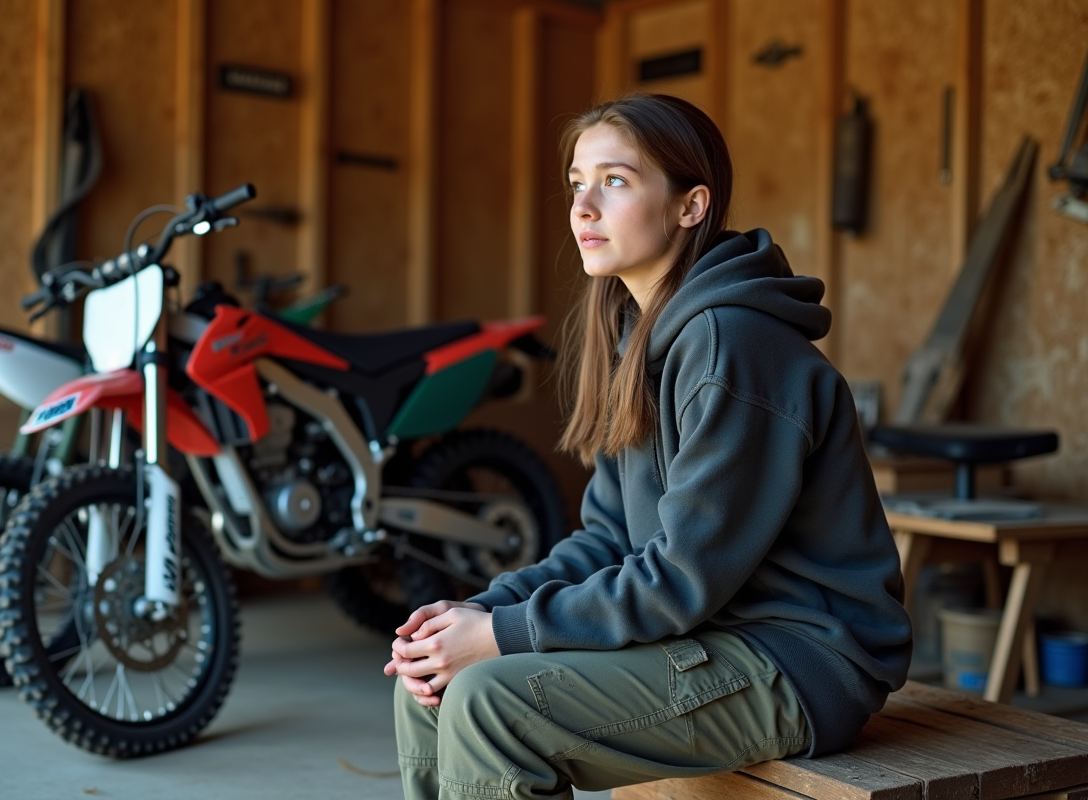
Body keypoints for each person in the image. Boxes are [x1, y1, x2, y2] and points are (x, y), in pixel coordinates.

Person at [384, 93, 912, 800]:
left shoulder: (732, 347)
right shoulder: (639, 337)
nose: (584, 206)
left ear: (692, 205)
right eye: (577, 182)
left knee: (489, 705)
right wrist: (472, 615)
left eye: (616, 180)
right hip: (712, 632)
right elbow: (609, 537)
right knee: (431, 686)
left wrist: (505, 634)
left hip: (800, 656)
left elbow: (681, 578)